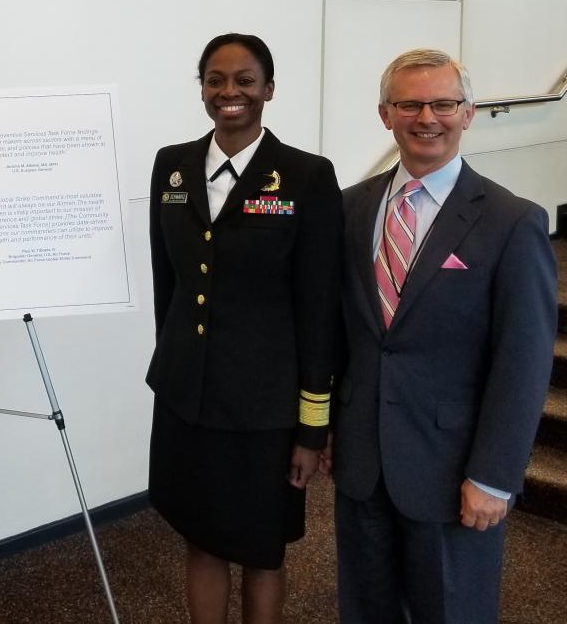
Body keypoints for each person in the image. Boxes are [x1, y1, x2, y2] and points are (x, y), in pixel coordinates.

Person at [329, 48, 557, 622]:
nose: (426, 116)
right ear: (385, 114)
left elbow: (524, 364)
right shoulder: (349, 209)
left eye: (443, 103)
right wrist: (329, 429)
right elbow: (342, 336)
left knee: (451, 610)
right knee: (366, 608)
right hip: (362, 464)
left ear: (469, 113)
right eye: (409, 103)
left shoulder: (513, 221)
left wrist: (494, 475)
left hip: (454, 469)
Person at [146, 33, 342, 623]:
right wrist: (175, 368)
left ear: (269, 90)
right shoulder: (172, 166)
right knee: (201, 537)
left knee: (262, 551)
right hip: (188, 401)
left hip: (264, 413)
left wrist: (312, 428)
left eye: (245, 80)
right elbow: (168, 287)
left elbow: (319, 309)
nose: (229, 91)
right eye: (215, 80)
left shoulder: (306, 177)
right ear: (203, 88)